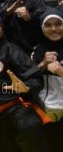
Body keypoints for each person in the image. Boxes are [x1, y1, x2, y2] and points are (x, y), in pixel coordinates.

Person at [0, 13, 49, 152]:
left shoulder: (12, 50)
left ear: (2, 28)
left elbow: (35, 78)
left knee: (30, 127)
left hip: (16, 108)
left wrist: (25, 87)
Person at [31, 9, 63, 151]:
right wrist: (43, 64)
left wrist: (60, 71)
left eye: (58, 24)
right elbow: (29, 77)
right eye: (48, 25)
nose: (54, 29)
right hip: (44, 110)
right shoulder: (37, 49)